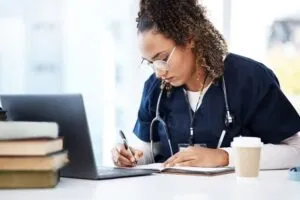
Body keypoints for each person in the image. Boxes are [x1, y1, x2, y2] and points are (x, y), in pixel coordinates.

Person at [111, 0, 300, 169]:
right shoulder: (155, 88)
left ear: (189, 38)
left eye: (163, 59)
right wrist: (132, 156)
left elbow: (295, 152)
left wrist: (224, 157)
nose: (159, 72)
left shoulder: (249, 78)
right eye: (150, 63)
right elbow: (151, 149)